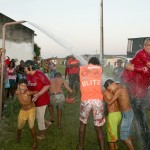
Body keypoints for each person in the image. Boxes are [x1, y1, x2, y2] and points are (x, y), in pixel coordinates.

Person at [121, 37, 150, 149]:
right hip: (134, 87)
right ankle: (144, 142)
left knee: (138, 116)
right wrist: (135, 68)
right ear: (144, 46)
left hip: (140, 88)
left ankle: (140, 138)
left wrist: (134, 67)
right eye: (148, 46)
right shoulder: (142, 53)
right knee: (139, 117)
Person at [77, 57, 105, 150]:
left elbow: (79, 80)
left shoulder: (82, 69)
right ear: (97, 63)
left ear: (89, 63)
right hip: (98, 100)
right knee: (98, 127)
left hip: (86, 100)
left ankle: (80, 147)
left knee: (82, 124)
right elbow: (99, 67)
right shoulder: (100, 69)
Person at [104, 79, 134, 150]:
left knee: (123, 136)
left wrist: (104, 95)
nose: (110, 91)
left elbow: (109, 102)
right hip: (126, 113)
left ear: (112, 84)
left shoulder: (119, 90)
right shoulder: (120, 87)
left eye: (109, 89)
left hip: (127, 114)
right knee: (127, 134)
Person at [24, 60, 51, 139]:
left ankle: (42, 134)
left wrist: (39, 94)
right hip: (33, 99)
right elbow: (28, 86)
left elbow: (48, 84)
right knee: (37, 115)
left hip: (42, 99)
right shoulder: (28, 75)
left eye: (25, 68)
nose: (24, 70)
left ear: (30, 67)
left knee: (39, 117)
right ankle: (47, 123)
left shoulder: (39, 74)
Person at [15, 79, 38, 149]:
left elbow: (36, 92)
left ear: (27, 87)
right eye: (22, 86)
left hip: (31, 109)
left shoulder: (28, 93)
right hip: (23, 110)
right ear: (18, 86)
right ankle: (18, 137)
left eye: (25, 86)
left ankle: (35, 142)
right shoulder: (17, 92)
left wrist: (37, 95)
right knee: (19, 127)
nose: (23, 87)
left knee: (31, 126)